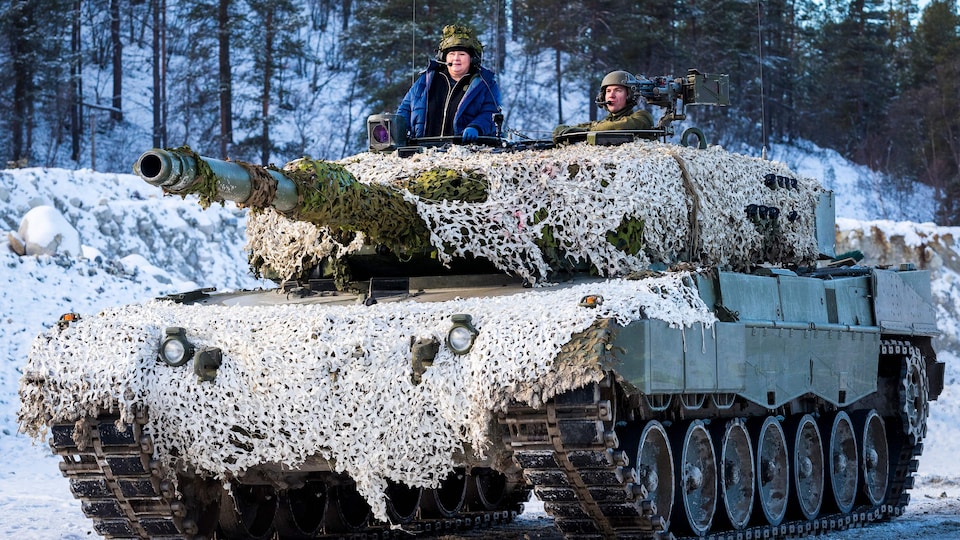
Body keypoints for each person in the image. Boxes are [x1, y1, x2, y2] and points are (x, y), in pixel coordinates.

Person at [397, 24, 502, 142]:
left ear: (472, 58)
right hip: (423, 151)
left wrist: (476, 127)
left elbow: (491, 113)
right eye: (451, 54)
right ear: (444, 58)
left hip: (466, 152)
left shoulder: (485, 84)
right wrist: (398, 132)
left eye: (462, 54)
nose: (456, 58)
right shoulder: (426, 80)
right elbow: (404, 110)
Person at [553, 70, 655, 143]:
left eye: (618, 90)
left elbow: (618, 126)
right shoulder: (602, 123)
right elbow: (590, 126)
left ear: (629, 96)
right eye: (608, 91)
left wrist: (585, 133)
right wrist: (564, 130)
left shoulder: (642, 117)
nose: (611, 95)